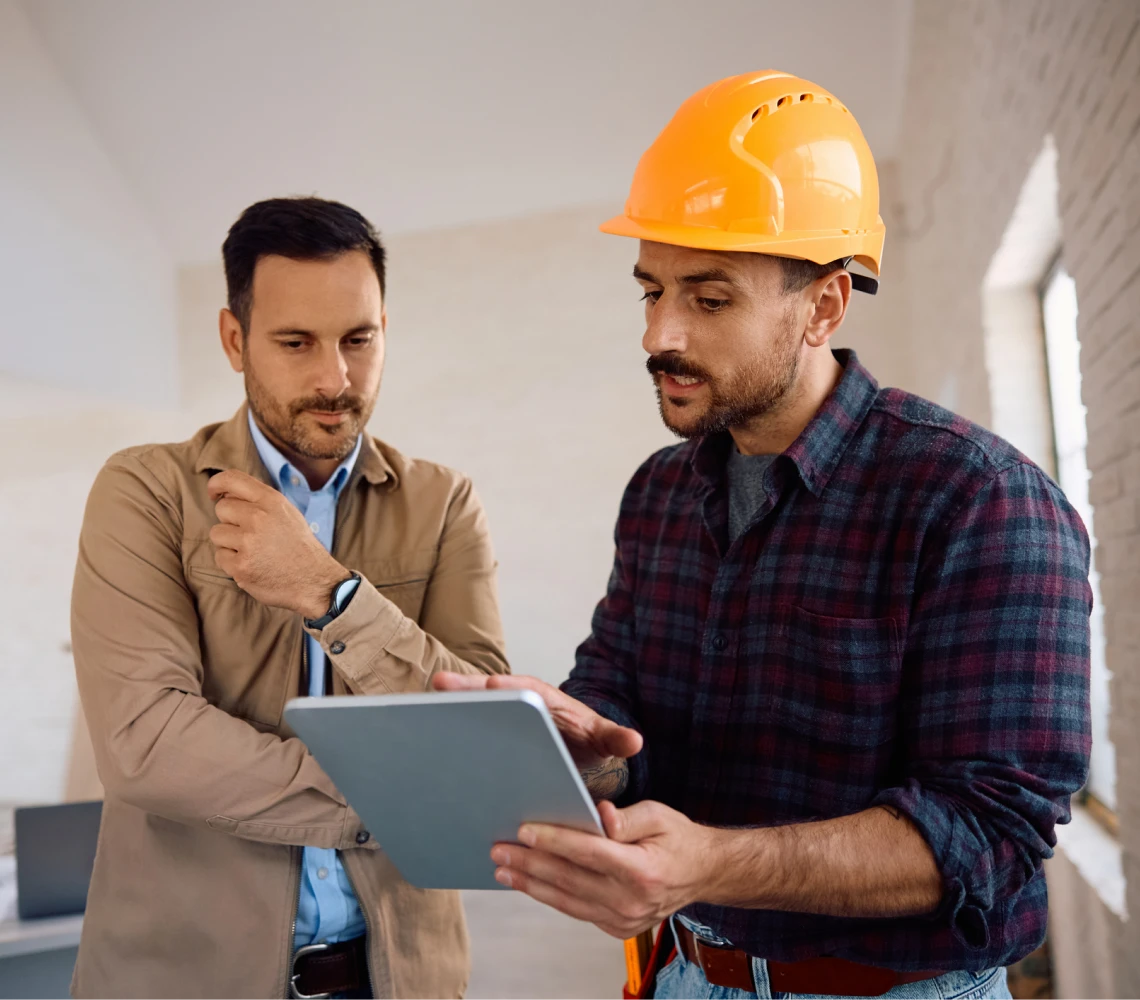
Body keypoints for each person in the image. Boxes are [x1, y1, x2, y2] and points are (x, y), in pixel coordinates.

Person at [435, 71, 1091, 1000]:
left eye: (709, 300)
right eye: (651, 291)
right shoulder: (659, 492)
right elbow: (618, 690)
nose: (660, 334)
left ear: (824, 306)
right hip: (682, 972)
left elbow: (988, 833)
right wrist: (578, 745)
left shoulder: (977, 500)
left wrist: (714, 863)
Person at [70, 197, 509, 1000]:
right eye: (296, 342)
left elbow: (482, 733)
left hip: (402, 983)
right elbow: (146, 745)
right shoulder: (145, 490)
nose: (334, 378)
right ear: (235, 340)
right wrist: (398, 797)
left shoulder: (445, 503)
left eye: (358, 340)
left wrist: (329, 592)